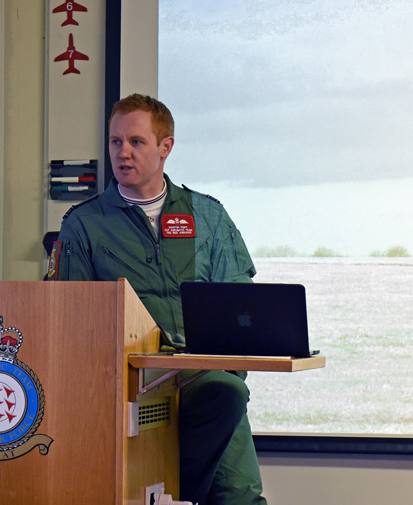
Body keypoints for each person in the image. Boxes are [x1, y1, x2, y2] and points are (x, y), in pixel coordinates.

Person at [46, 93, 266, 505]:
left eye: (136, 142)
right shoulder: (84, 224)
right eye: (115, 142)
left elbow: (242, 308)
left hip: (206, 378)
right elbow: (68, 319)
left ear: (166, 147)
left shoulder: (208, 217)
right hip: (130, 390)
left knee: (241, 494)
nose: (122, 153)